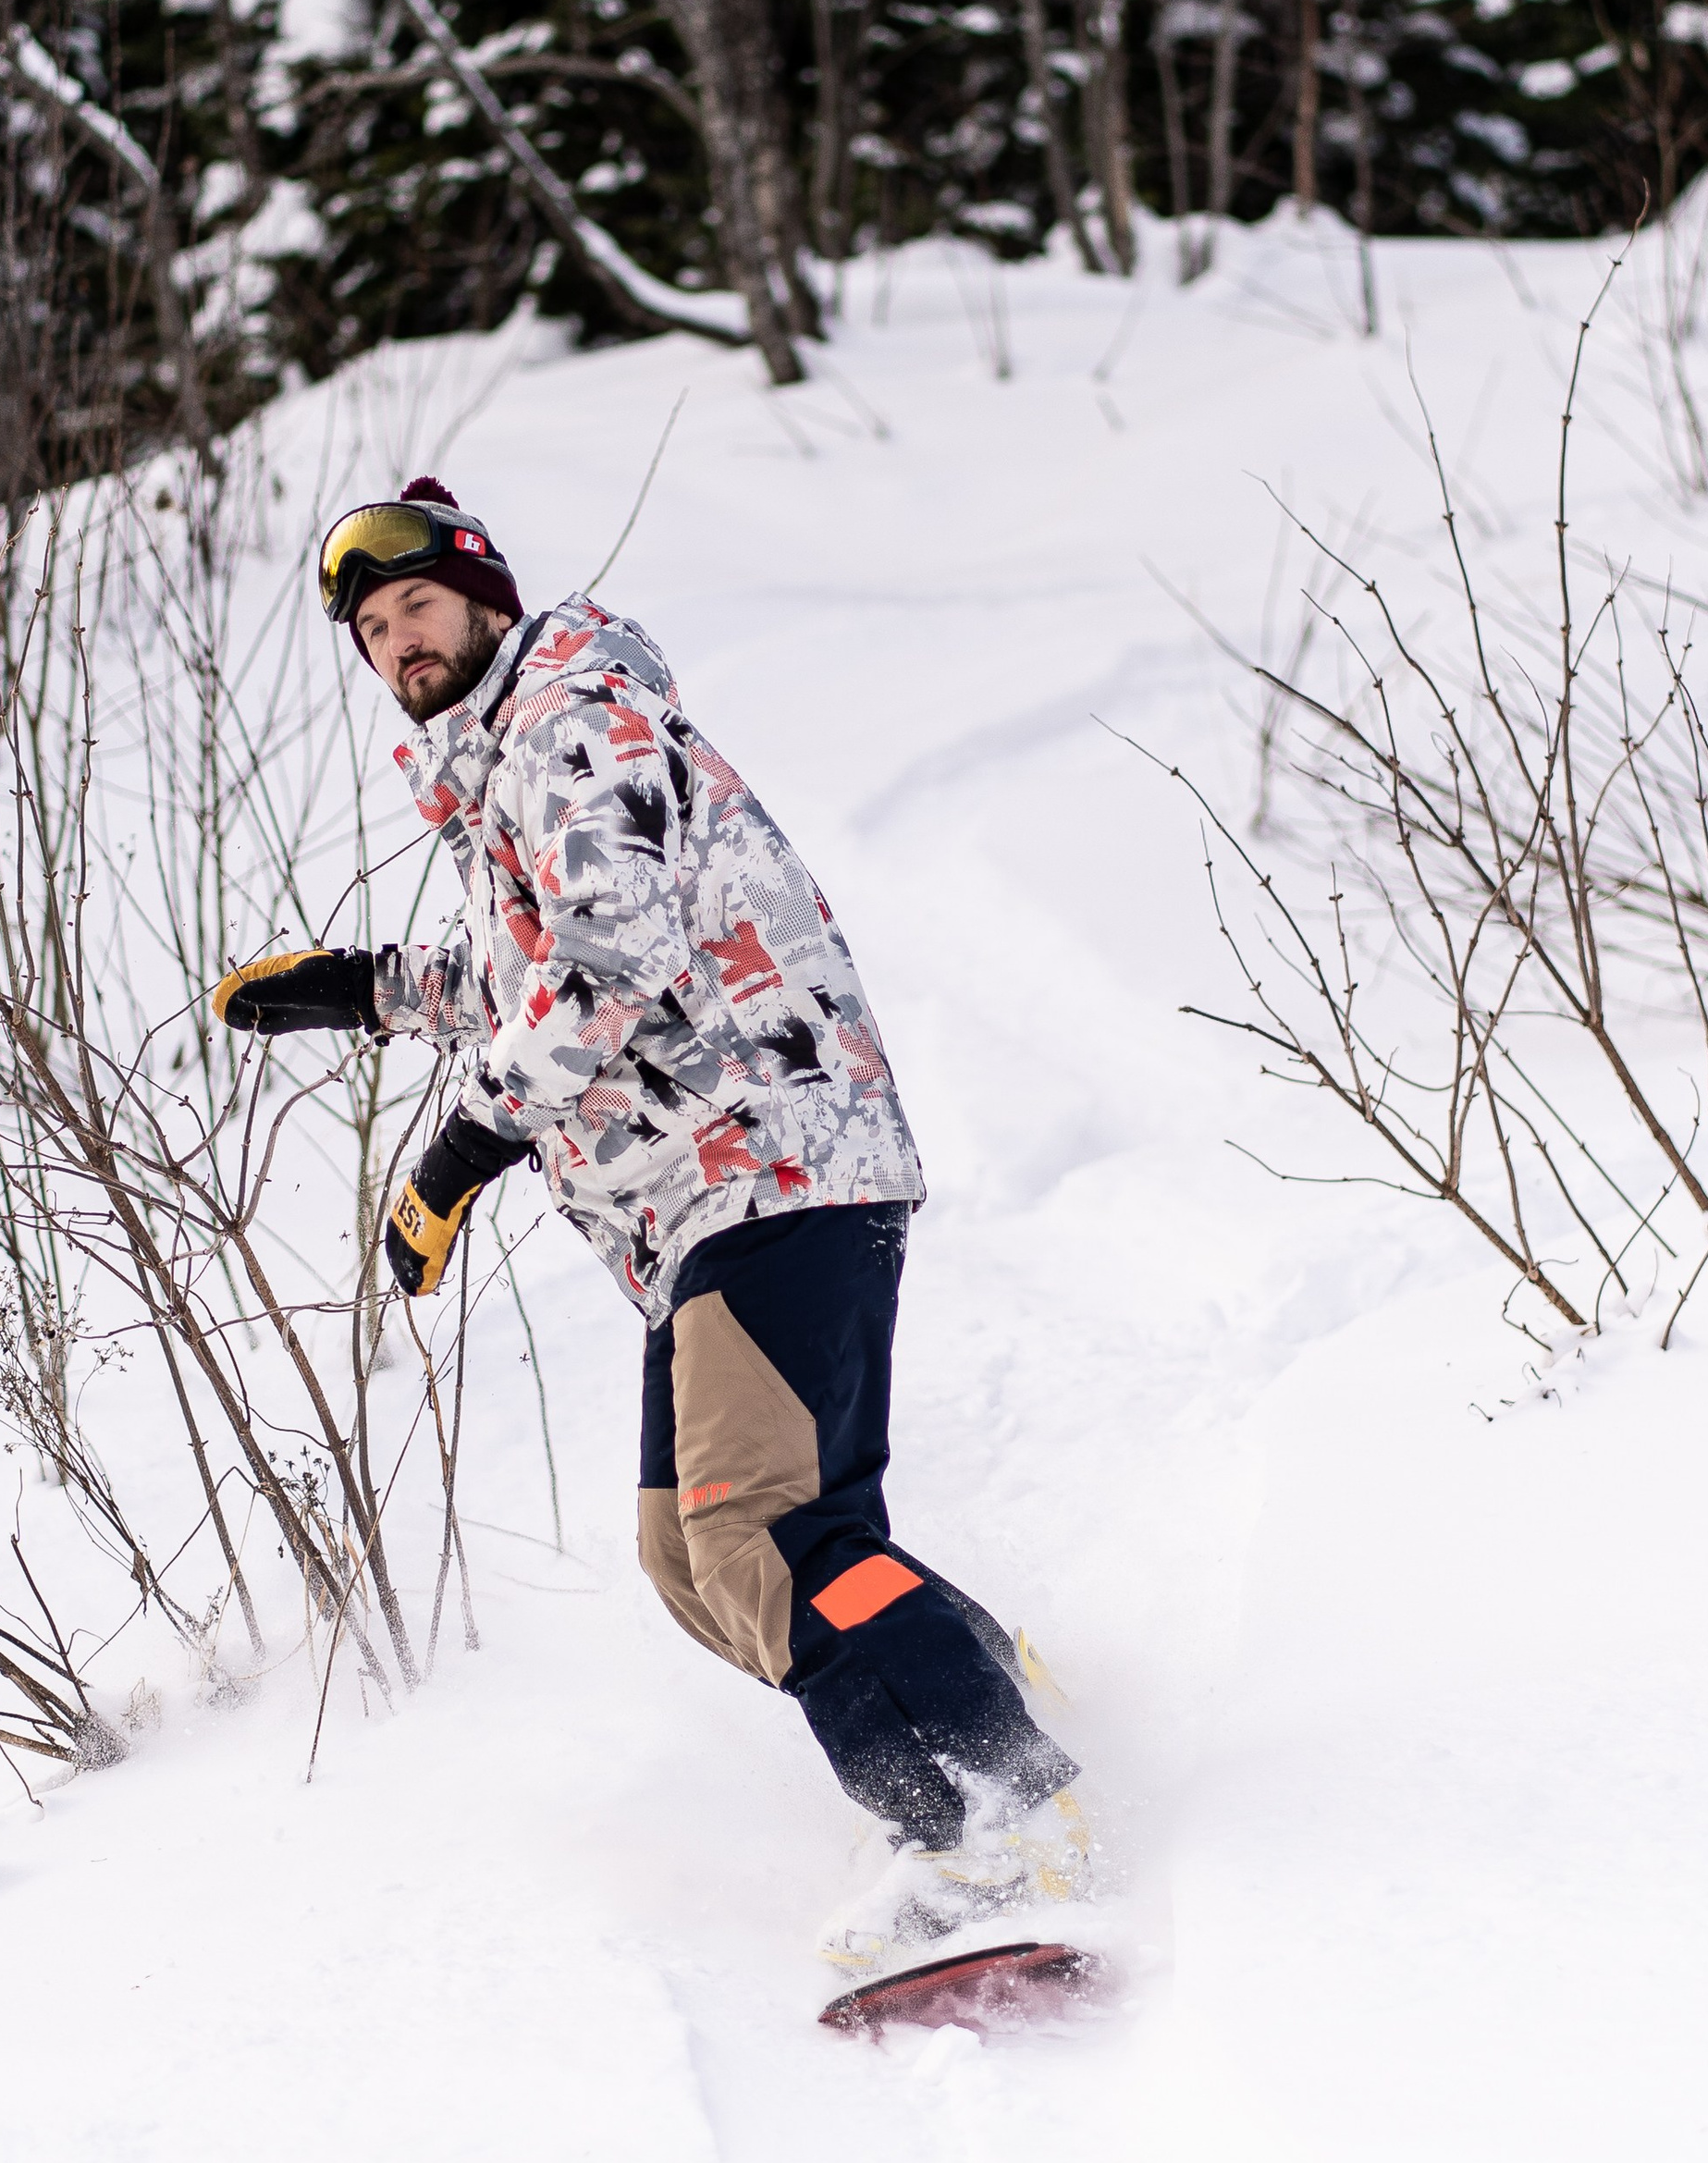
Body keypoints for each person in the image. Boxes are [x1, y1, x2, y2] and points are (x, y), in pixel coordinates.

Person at [211, 478, 1088, 1975]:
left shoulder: (571, 720)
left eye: (418, 604)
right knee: (692, 1560)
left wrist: (464, 1149)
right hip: (708, 1201)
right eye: (371, 630)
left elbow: (612, 960)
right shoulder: (514, 769)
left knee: (763, 1532)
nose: (400, 641)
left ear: (484, 596)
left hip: (768, 1162)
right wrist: (368, 990)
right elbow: (539, 973)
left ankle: (993, 1822)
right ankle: (986, 1693)